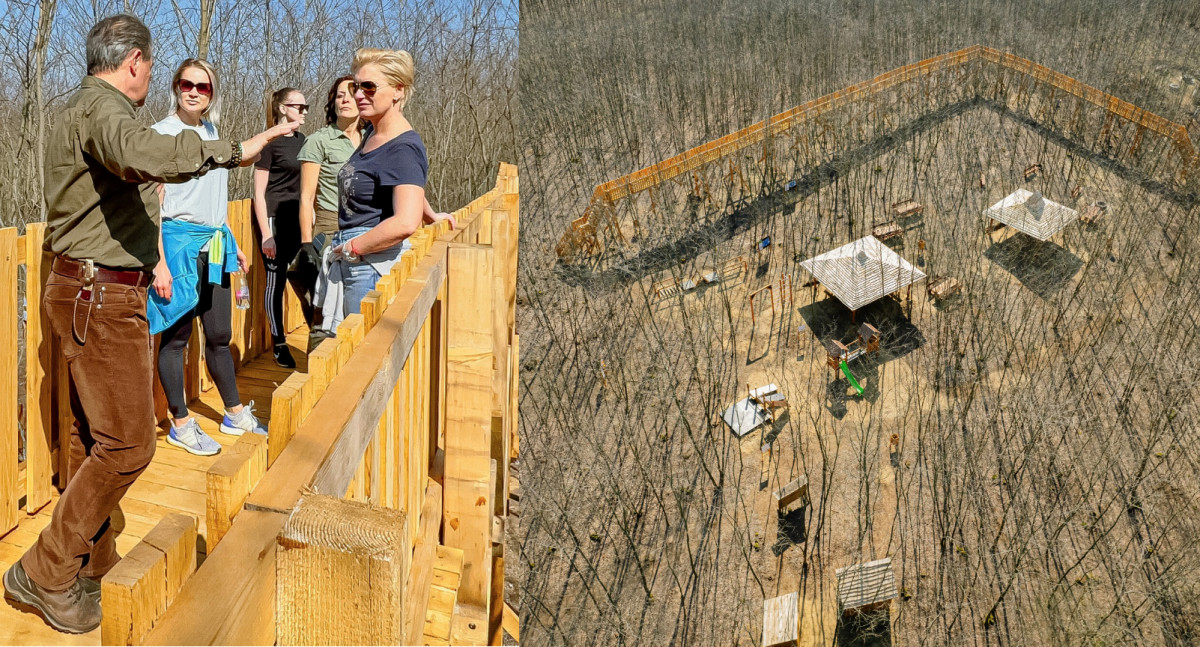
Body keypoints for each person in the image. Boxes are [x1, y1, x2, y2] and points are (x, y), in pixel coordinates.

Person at [1, 14, 298, 634]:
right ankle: (47, 570)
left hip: (92, 291)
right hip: (99, 296)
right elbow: (142, 155)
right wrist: (232, 150)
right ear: (135, 61)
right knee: (132, 444)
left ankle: (93, 561)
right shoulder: (104, 111)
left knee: (94, 439)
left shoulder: (86, 109)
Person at [149, 58, 268, 456]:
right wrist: (159, 262)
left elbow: (213, 201)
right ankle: (181, 423)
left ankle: (233, 413)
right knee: (177, 337)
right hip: (179, 246)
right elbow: (151, 207)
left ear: (212, 93)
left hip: (214, 245)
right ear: (176, 87)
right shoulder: (161, 134)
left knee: (219, 334)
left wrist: (232, 243)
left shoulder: (213, 133)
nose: (194, 91)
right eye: (187, 84)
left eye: (203, 86)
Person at [322, 48, 455, 329]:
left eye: (369, 87)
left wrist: (352, 248)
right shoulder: (373, 131)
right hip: (355, 257)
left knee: (361, 357)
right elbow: (401, 183)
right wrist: (431, 214)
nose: (359, 95)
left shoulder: (403, 146)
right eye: (356, 86)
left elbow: (405, 222)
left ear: (398, 90)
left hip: (371, 266)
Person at [298, 75, 360, 350]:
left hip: (368, 228)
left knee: (355, 305)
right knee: (323, 307)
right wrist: (306, 242)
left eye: (351, 93)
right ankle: (315, 381)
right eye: (339, 95)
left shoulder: (374, 139)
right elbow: (306, 196)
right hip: (330, 226)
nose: (345, 99)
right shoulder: (319, 141)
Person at [254, 87, 309, 368]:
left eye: (305, 107)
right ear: (282, 108)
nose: (303, 111)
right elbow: (259, 192)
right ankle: (279, 343)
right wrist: (266, 235)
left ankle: (318, 335)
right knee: (275, 284)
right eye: (298, 106)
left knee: (306, 278)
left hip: (299, 222)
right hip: (274, 221)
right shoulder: (270, 142)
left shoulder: (305, 141)